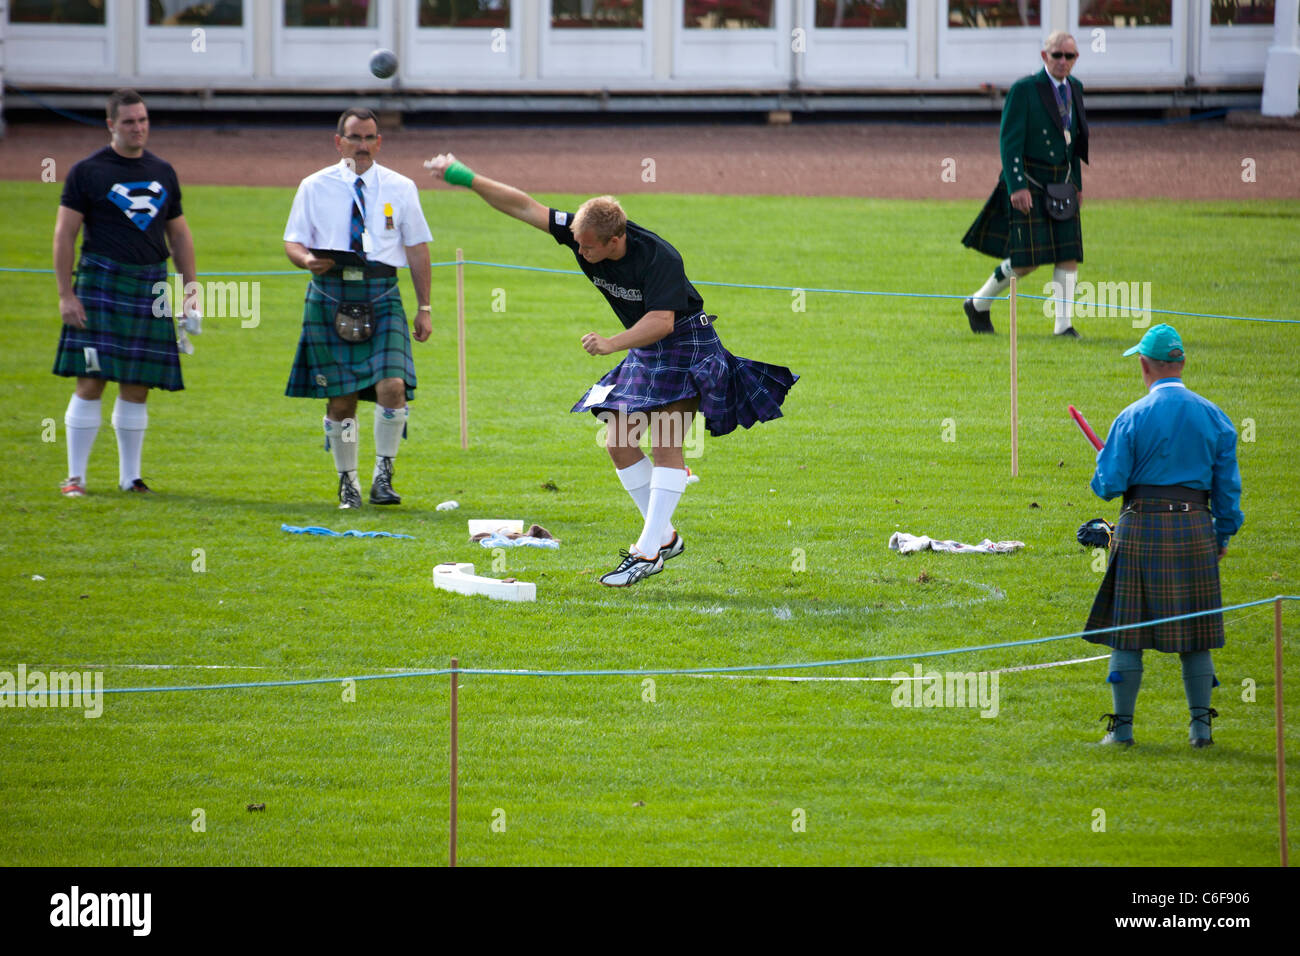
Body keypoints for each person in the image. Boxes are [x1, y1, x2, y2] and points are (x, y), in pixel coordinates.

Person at [423, 152, 797, 587]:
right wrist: (465, 177)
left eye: (587, 247)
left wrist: (610, 344)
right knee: (618, 441)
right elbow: (523, 206)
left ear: (614, 241)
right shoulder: (584, 231)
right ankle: (664, 537)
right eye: (576, 242)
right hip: (647, 350)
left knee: (666, 444)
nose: (579, 251)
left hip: (686, 347)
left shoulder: (659, 257)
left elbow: (662, 322)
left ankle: (646, 552)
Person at [1082, 324, 1244, 748]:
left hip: (1141, 526)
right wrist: (1222, 534)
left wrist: (1104, 462)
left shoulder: (1131, 417)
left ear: (1143, 365)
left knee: (1127, 633)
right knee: (1196, 634)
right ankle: (1201, 730)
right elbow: (1227, 490)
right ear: (1182, 363)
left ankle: (1122, 731)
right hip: (1194, 528)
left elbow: (1108, 486)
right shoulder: (1216, 417)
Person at [283, 108, 433, 508]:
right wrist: (305, 261)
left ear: (379, 142)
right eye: (354, 137)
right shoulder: (314, 186)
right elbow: (294, 241)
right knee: (341, 398)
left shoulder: (400, 187)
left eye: (369, 138)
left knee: (393, 386)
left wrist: (425, 307)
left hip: (382, 291)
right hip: (329, 291)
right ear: (339, 141)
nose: (362, 146)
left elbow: (417, 247)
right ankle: (347, 482)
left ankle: (383, 475)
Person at [53, 88, 200, 497]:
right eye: (129, 122)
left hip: (149, 283)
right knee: (91, 379)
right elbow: (65, 234)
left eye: (143, 120)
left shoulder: (162, 170)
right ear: (111, 125)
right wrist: (67, 294)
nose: (138, 128)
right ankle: (75, 478)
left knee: (138, 383)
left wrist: (191, 289)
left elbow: (179, 233)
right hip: (100, 282)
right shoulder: (88, 171)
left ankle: (130, 478)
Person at [961, 30, 1089, 338]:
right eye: (1057, 55)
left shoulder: (1076, 88)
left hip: (1061, 181)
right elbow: (1009, 142)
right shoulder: (1025, 90)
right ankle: (978, 302)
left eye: (1068, 56)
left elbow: (1074, 142)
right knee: (1026, 260)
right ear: (1044, 56)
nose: (1062, 61)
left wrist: (1078, 183)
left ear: (1076, 59)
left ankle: (1064, 326)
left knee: (1067, 253)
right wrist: (1016, 186)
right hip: (1029, 179)